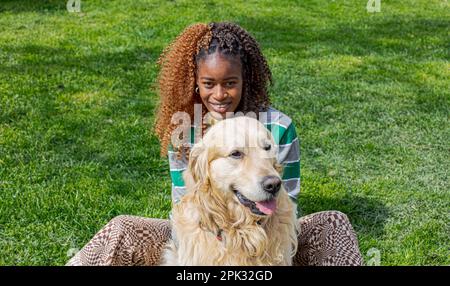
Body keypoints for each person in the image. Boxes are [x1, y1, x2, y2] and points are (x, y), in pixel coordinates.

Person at [67, 22, 362, 266]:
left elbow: (286, 201)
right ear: (196, 82)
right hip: (205, 235)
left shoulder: (279, 127)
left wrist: (250, 243)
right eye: (209, 84)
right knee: (123, 228)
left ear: (245, 79)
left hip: (272, 237)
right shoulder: (184, 131)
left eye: (230, 83)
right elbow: (186, 204)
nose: (220, 94)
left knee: (333, 222)